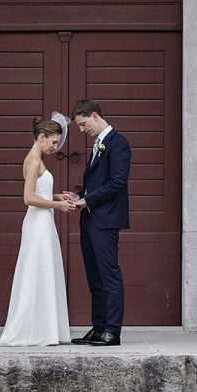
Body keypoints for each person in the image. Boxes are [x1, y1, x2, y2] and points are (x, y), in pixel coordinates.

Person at [0, 113, 77, 346]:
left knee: (43, 270)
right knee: (37, 270)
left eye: (57, 142)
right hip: (38, 222)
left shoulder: (36, 159)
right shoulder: (34, 161)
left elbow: (39, 191)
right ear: (41, 137)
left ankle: (44, 328)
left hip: (43, 221)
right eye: (53, 142)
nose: (55, 147)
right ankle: (35, 329)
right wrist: (58, 205)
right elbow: (28, 198)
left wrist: (57, 195)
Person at [65, 98, 131, 347]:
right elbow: (98, 183)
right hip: (91, 219)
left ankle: (112, 331)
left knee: (109, 275)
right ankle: (99, 326)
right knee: (94, 277)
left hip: (106, 221)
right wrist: (80, 196)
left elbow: (117, 183)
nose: (81, 130)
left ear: (94, 116)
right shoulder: (98, 145)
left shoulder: (119, 144)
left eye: (82, 124)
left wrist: (86, 200)